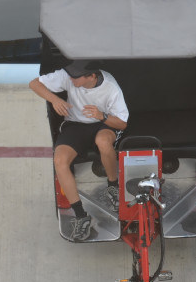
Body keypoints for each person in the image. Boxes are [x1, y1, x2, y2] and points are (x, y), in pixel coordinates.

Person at [29, 60, 129, 241]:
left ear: (92, 76)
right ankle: (81, 215)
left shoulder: (111, 87)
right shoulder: (69, 76)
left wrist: (102, 115)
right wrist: (55, 99)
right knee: (59, 161)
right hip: (75, 125)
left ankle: (113, 186)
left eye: (76, 76)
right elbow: (34, 83)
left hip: (103, 124)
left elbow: (122, 123)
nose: (70, 78)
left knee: (103, 142)